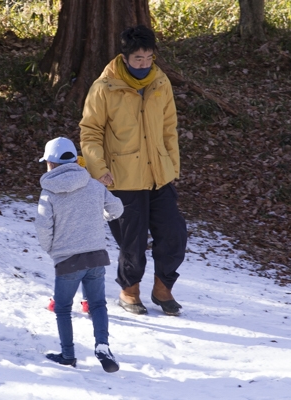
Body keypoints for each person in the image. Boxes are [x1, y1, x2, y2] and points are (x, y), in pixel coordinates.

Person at [79, 25, 187, 316]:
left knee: (174, 234)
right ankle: (130, 291)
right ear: (124, 57)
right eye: (138, 58)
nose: (144, 63)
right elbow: (90, 132)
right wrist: (98, 169)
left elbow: (169, 128)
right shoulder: (104, 88)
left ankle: (163, 289)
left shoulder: (160, 82)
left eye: (149, 57)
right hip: (121, 178)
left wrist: (172, 165)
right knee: (131, 241)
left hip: (158, 176)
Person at [35, 137, 124, 373]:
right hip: (95, 256)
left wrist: (52, 250)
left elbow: (44, 228)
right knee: (97, 304)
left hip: (67, 260)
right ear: (75, 160)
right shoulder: (95, 185)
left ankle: (68, 355)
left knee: (63, 307)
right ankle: (102, 346)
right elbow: (117, 209)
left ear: (51, 164)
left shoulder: (49, 193)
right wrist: (99, 219)